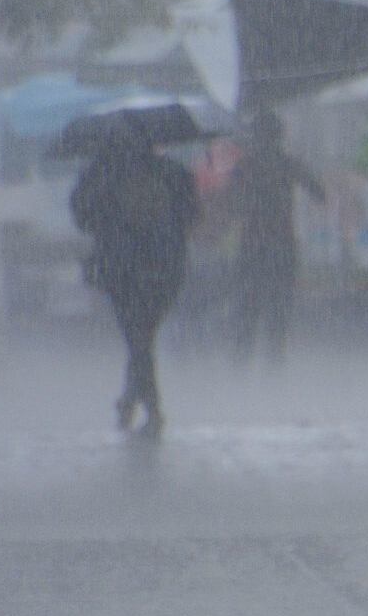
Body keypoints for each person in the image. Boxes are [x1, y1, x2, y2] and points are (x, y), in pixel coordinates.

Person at [70, 127, 201, 437]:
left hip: (121, 268)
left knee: (137, 337)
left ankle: (151, 409)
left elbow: (82, 217)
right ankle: (133, 400)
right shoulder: (173, 171)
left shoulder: (100, 174)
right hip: (166, 265)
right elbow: (192, 214)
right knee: (142, 336)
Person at [230, 111, 326, 365]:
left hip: (253, 246)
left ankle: (241, 368)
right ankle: (273, 368)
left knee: (248, 313)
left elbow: (231, 202)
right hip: (281, 246)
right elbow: (318, 192)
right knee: (278, 314)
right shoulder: (287, 163)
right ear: (279, 136)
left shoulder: (245, 166)